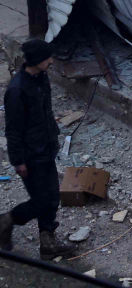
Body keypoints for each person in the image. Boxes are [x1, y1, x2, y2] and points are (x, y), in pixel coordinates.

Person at [1, 39, 62, 258]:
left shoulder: (41, 78)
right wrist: (18, 161)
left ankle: (48, 245)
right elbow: (13, 130)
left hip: (46, 149)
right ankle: (6, 221)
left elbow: (45, 111)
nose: (51, 61)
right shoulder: (17, 90)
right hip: (30, 156)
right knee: (41, 200)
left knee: (53, 197)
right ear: (37, 60)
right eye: (47, 58)